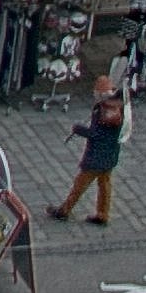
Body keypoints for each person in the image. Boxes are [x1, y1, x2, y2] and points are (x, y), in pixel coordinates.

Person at [48, 74, 125, 227]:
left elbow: (96, 134)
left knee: (80, 184)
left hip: (96, 156)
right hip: (110, 155)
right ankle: (103, 214)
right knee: (105, 185)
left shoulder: (102, 111)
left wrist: (78, 129)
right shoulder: (118, 106)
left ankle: (64, 210)